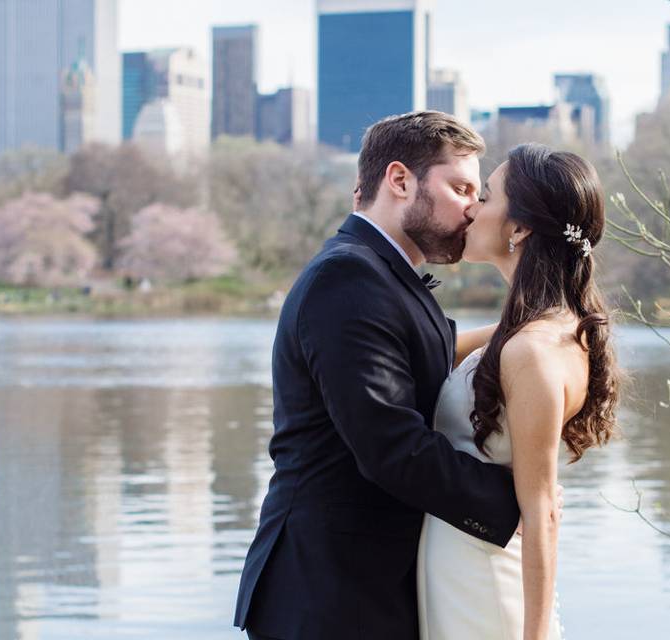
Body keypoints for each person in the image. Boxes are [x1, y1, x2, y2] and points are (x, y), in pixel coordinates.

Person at [233, 111, 524, 640]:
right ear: (399, 179)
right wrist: (522, 502)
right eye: (461, 188)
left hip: (367, 589)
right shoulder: (348, 278)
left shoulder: (383, 276)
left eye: (478, 193)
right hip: (329, 596)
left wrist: (534, 326)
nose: (473, 209)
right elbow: (392, 448)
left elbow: (430, 354)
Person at [417, 143, 619, 640]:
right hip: (460, 569)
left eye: (485, 196)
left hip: (481, 582)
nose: (470, 208)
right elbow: (434, 350)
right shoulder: (533, 330)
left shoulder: (534, 350)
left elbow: (542, 509)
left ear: (520, 228)